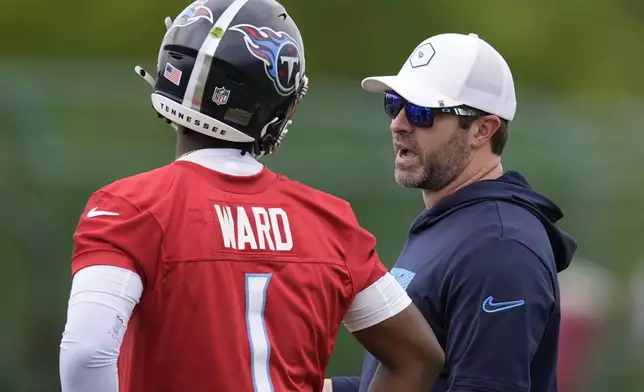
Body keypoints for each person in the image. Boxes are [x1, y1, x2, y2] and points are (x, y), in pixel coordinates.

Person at [58, 1, 444, 391]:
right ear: (275, 102)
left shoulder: (129, 207)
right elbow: (417, 356)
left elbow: (87, 352)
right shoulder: (329, 220)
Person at [326, 33, 578, 392]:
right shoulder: (454, 223)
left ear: (482, 130)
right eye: (394, 104)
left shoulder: (500, 247)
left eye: (421, 111)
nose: (398, 123)